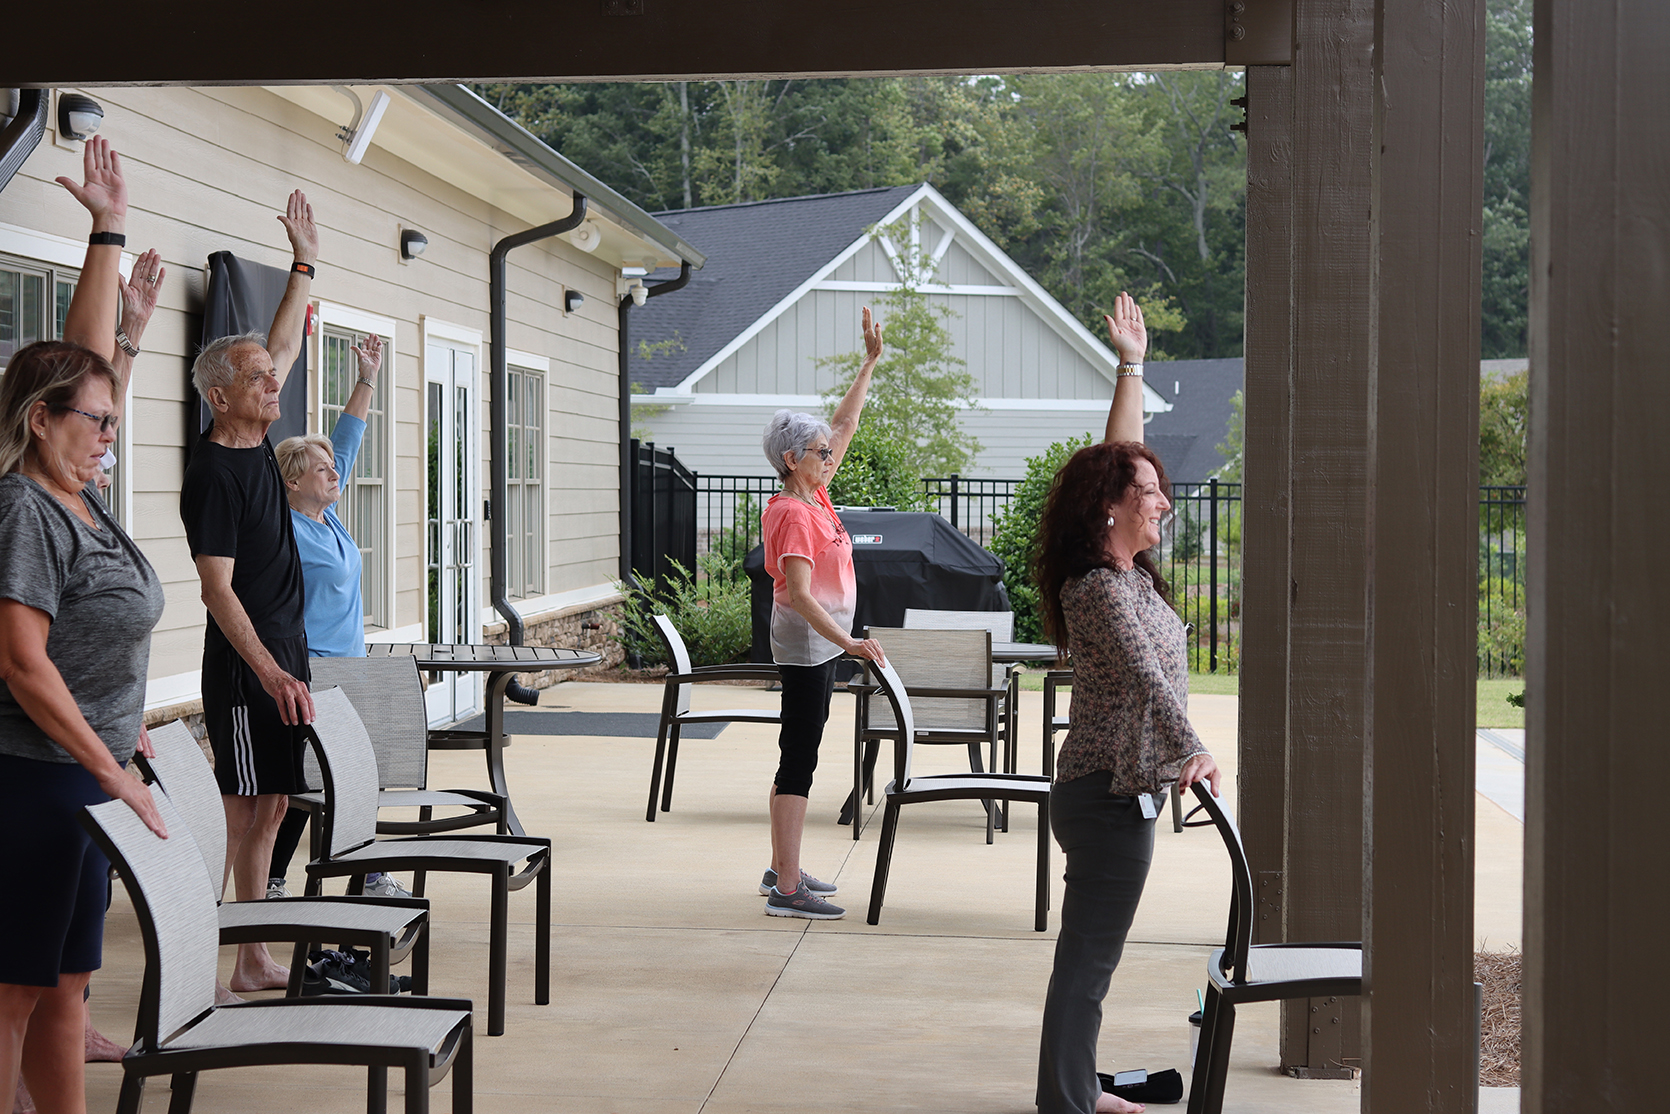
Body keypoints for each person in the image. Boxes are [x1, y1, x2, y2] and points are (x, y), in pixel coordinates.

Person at [0, 137, 169, 1114]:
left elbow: (91, 374)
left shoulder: (79, 494)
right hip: (35, 780)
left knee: (65, 991)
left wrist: (111, 234)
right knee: (14, 994)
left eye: (111, 420)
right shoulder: (25, 507)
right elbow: (24, 665)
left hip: (86, 777)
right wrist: (110, 767)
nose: (112, 432)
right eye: (97, 423)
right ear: (40, 421)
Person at [1032, 293, 1223, 1114]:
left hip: (1116, 795)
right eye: (1146, 490)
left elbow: (1121, 451)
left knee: (1090, 956)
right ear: (1111, 504)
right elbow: (1149, 676)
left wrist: (1133, 365)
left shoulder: (1125, 577)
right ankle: (1069, 1101)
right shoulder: (1099, 590)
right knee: (1089, 959)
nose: (1162, 498)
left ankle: (1074, 1089)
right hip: (1108, 796)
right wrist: (1195, 748)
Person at [178, 189, 320, 992]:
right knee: (244, 806)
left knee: (274, 804)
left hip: (286, 657)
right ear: (220, 395)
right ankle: (241, 955)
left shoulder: (258, 440)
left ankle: (255, 951)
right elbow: (215, 591)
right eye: (259, 381)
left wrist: (302, 263)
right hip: (245, 669)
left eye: (271, 378)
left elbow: (282, 346)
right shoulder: (214, 473)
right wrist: (267, 670)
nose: (274, 385)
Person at [757, 306, 888, 920]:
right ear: (791, 460)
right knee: (799, 756)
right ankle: (786, 888)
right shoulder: (791, 511)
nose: (830, 451)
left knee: (799, 749)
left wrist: (869, 362)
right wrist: (851, 641)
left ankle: (782, 864)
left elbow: (844, 421)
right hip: (810, 647)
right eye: (818, 450)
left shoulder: (815, 491)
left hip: (822, 646)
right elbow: (801, 595)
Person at [270, 332, 410, 900]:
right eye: (322, 469)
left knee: (329, 779)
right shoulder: (288, 530)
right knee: (329, 779)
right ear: (293, 480)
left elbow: (347, 442)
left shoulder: (326, 518)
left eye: (333, 469)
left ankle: (303, 877)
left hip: (347, 671)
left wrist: (367, 378)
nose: (335, 474)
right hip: (316, 671)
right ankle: (338, 877)